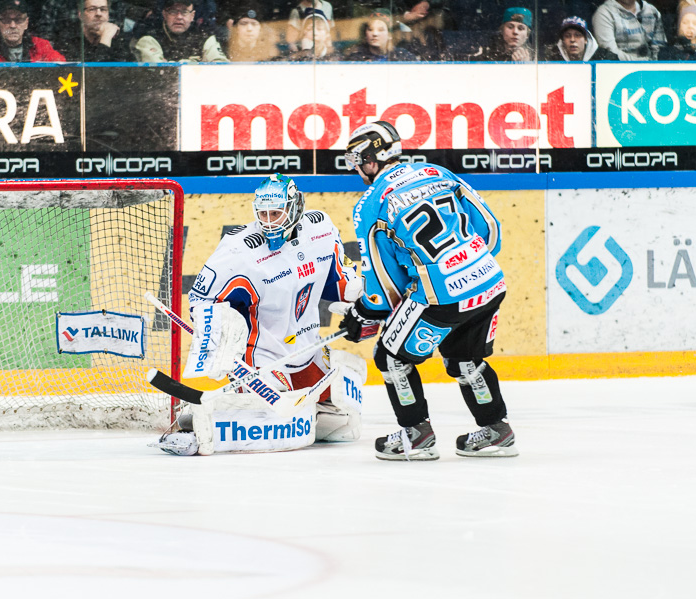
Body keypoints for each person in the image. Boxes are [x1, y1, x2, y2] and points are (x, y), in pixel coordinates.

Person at [339, 120, 517, 460]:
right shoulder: (437, 172)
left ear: (372, 159)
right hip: (489, 281)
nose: (357, 168)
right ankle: (497, 430)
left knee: (390, 356)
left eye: (357, 159)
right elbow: (489, 228)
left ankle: (416, 434)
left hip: (443, 296)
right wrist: (469, 265)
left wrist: (364, 313)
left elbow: (383, 284)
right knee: (465, 356)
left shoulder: (371, 202)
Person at [155, 173, 365, 456]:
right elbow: (201, 299)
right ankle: (192, 422)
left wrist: (359, 302)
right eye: (263, 214)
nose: (269, 221)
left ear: (295, 207)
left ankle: (282, 407)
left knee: (342, 427)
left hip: (308, 351)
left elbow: (339, 281)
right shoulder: (238, 250)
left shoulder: (321, 229)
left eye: (276, 213)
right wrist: (219, 338)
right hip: (262, 361)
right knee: (273, 430)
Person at [132, 0, 228, 62]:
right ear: (165, 15)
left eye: (184, 12)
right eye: (173, 12)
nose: (179, 17)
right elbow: (159, 75)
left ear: (192, 16)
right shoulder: (149, 38)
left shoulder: (204, 36)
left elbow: (220, 66)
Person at [0, 0, 66, 62]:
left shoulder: (40, 45)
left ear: (26, 23)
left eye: (18, 20)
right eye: (6, 20)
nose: (13, 26)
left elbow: (60, 65)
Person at [57, 0, 134, 61]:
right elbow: (91, 74)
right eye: (92, 9)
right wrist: (105, 38)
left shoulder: (117, 38)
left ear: (108, 15)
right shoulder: (69, 40)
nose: (99, 14)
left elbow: (131, 72)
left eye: (103, 9)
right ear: (80, 15)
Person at [591, 0, 666, 60]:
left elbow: (659, 48)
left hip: (650, 69)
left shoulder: (652, 11)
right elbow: (610, 53)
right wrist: (643, 63)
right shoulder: (604, 13)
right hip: (619, 70)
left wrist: (654, 66)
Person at [344, 9, 416, 61]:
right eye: (370, 29)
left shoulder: (403, 57)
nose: (375, 34)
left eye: (381, 30)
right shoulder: (356, 59)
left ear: (389, 34)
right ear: (365, 33)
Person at [544, 15, 619, 61]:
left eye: (577, 35)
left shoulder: (605, 57)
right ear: (562, 41)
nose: (572, 40)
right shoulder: (552, 59)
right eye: (567, 36)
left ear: (586, 39)